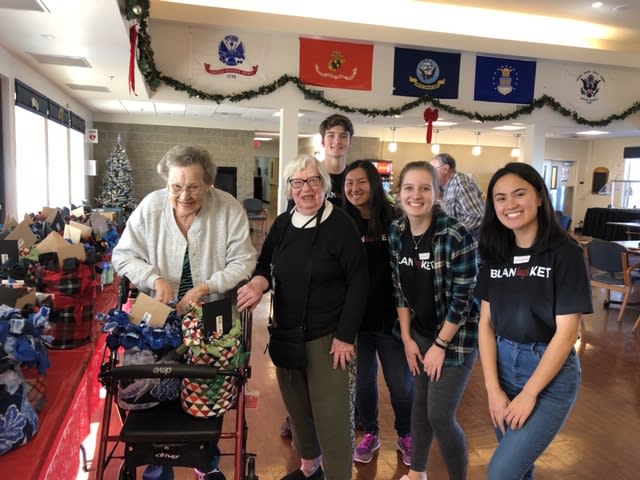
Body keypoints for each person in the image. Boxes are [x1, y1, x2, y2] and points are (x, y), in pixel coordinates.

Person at [111, 144, 257, 480]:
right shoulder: (151, 207)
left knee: (208, 383)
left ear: (208, 183)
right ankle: (157, 458)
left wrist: (207, 286)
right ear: (167, 184)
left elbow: (244, 260)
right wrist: (154, 278)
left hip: (212, 309)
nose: (184, 195)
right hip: (155, 309)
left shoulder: (228, 208)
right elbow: (123, 256)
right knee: (151, 378)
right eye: (176, 186)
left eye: (193, 186)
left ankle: (205, 460)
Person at [237, 154, 368, 480]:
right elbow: (265, 265)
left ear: (324, 185)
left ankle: (338, 474)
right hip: (287, 335)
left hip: (329, 337)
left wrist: (345, 336)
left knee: (333, 417)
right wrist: (257, 283)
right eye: (298, 182)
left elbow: (359, 280)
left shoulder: (340, 225)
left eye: (312, 181)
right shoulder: (283, 224)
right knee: (298, 412)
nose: (305, 189)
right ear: (290, 188)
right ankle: (310, 469)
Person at [475, 162, 593, 480]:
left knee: (501, 471)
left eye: (519, 194)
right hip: (502, 367)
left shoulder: (565, 253)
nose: (509, 204)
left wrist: (529, 394)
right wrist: (492, 389)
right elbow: (485, 324)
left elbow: (568, 334)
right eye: (500, 198)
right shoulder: (494, 251)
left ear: (539, 197)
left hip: (548, 377)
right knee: (520, 471)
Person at [389, 161, 479, 480]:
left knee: (440, 414)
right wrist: (408, 338)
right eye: (409, 188)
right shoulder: (397, 232)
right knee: (420, 405)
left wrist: (440, 344)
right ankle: (418, 473)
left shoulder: (455, 234)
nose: (416, 195)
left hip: (456, 339)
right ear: (398, 193)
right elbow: (399, 289)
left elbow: (463, 298)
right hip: (420, 333)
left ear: (437, 193)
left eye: (425, 188)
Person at [281, 112, 356, 438]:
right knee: (302, 368)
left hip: (347, 278)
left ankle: (343, 421)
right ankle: (300, 421)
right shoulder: (308, 174)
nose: (337, 141)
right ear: (323, 141)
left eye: (343, 136)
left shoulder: (356, 177)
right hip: (310, 290)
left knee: (342, 370)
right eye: (331, 136)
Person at [342, 160, 414, 466]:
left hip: (393, 321)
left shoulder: (395, 219)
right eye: (349, 184)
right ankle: (371, 433)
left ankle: (407, 434)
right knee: (364, 384)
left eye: (361, 182)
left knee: (400, 383)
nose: (355, 189)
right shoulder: (341, 222)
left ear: (374, 184)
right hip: (356, 322)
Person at [430, 153, 484, 239]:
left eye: (433, 170)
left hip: (473, 239)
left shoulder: (460, 182)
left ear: (445, 169)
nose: (431, 174)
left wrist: (452, 231)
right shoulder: (447, 185)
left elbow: (476, 217)